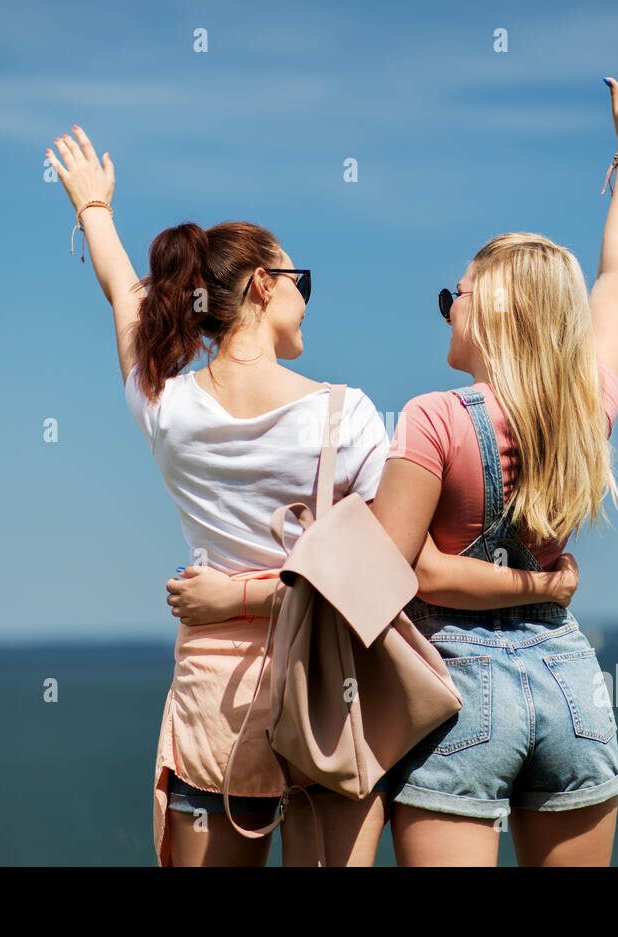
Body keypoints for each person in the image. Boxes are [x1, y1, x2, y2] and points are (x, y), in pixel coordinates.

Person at [45, 128, 579, 866]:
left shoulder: (166, 407)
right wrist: (542, 580)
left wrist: (95, 206)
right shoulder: (345, 415)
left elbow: (122, 289)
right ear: (263, 284)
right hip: (332, 698)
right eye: (302, 279)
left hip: (215, 703)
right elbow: (385, 575)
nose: (307, 296)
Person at [366, 45, 618, 866]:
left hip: (459, 695)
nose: (444, 313)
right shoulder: (588, 413)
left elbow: (399, 575)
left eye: (453, 298)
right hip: (572, 686)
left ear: (496, 312)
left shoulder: (433, 419)